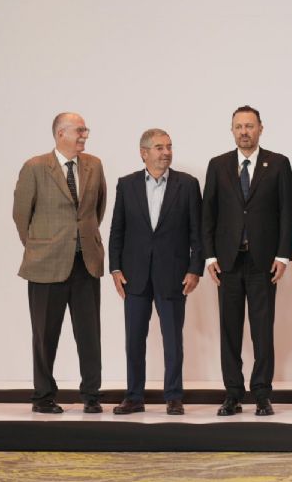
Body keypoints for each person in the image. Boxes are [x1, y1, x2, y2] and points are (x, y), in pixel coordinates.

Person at [202, 105, 292, 416]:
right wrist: (210, 256)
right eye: (239, 126)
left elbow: (286, 214)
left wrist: (283, 255)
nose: (244, 131)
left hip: (263, 262)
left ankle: (262, 394)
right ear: (232, 130)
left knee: (262, 330)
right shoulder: (217, 165)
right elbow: (208, 214)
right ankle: (232, 393)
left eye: (250, 126)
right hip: (227, 262)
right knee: (229, 329)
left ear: (260, 129)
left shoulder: (279, 164)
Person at [12, 112, 107, 414]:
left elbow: (97, 209)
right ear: (60, 133)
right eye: (79, 131)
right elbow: (20, 215)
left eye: (85, 130)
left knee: (89, 334)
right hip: (45, 265)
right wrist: (40, 245)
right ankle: (43, 397)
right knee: (44, 334)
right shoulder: (35, 167)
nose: (84, 136)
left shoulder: (94, 165)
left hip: (85, 264)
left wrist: (83, 239)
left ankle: (91, 396)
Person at [108, 129, 203, 416]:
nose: (166, 152)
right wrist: (114, 267)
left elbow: (196, 233)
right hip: (134, 275)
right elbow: (117, 230)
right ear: (144, 153)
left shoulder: (187, 185)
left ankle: (174, 396)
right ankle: (134, 397)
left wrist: (194, 268)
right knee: (134, 338)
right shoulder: (127, 185)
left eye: (169, 147)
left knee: (173, 339)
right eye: (159, 147)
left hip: (173, 274)